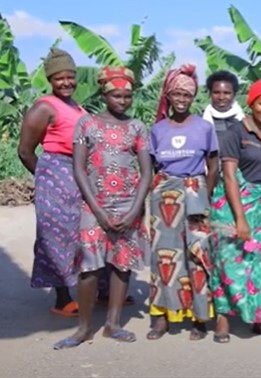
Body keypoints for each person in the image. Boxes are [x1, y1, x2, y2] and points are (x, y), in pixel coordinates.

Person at [17, 48, 127, 317]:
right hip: (57, 171)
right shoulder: (44, 106)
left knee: (91, 233)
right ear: (50, 80)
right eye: (59, 78)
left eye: (70, 77)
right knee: (57, 238)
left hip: (80, 172)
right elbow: (25, 150)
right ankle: (62, 298)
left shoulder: (75, 106)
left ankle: (101, 291)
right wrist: (47, 178)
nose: (65, 82)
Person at [53, 67, 153, 349]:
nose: (122, 101)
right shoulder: (87, 124)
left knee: (122, 265)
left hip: (127, 205)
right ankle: (83, 329)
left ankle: (113, 324)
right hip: (94, 205)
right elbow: (79, 168)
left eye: (127, 96)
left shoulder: (137, 127)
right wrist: (96, 209)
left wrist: (134, 210)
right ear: (105, 94)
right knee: (89, 267)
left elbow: (146, 171)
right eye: (117, 95)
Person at [210, 79, 261, 343]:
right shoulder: (236, 133)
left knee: (258, 265)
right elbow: (229, 177)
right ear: (251, 103)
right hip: (234, 207)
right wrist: (240, 219)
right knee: (228, 263)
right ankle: (222, 318)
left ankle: (259, 318)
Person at [147, 64, 219, 341]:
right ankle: (163, 317)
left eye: (186, 95)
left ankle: (200, 318)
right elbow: (152, 166)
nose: (181, 99)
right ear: (168, 95)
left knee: (198, 254)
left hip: (195, 190)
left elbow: (212, 166)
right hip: (164, 191)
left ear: (193, 98)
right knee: (163, 255)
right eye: (176, 94)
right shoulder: (158, 129)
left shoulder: (204, 127)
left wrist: (204, 195)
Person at [202, 70, 244, 134]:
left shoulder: (245, 123)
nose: (221, 97)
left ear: (234, 94)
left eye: (227, 93)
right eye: (216, 92)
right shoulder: (200, 122)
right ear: (210, 93)